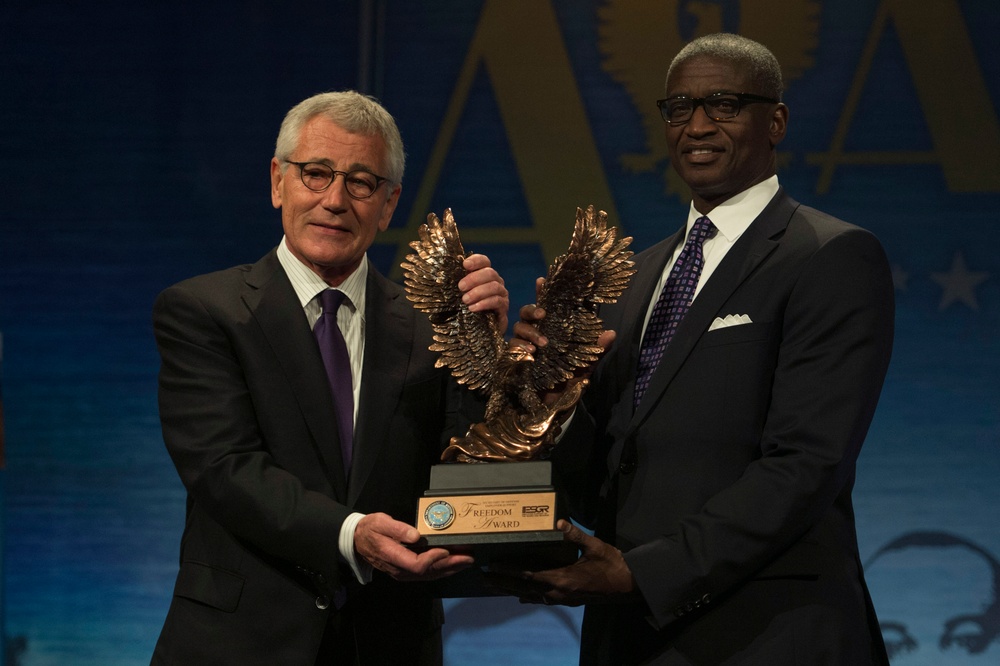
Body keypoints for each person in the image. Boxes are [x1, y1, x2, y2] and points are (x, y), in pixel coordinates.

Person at [507, 33, 894, 664]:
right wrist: (555, 405)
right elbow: (608, 474)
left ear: (777, 122)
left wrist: (647, 574)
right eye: (679, 108)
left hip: (765, 634)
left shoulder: (830, 255)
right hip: (629, 635)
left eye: (724, 103)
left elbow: (805, 464)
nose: (698, 126)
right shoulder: (636, 276)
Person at [150, 90, 509, 665]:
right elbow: (223, 468)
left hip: (390, 642)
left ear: (389, 204)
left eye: (361, 182)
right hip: (240, 644)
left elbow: (466, 466)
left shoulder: (432, 325)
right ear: (278, 182)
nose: (335, 200)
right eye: (315, 174)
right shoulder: (204, 310)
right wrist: (351, 533)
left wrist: (486, 355)